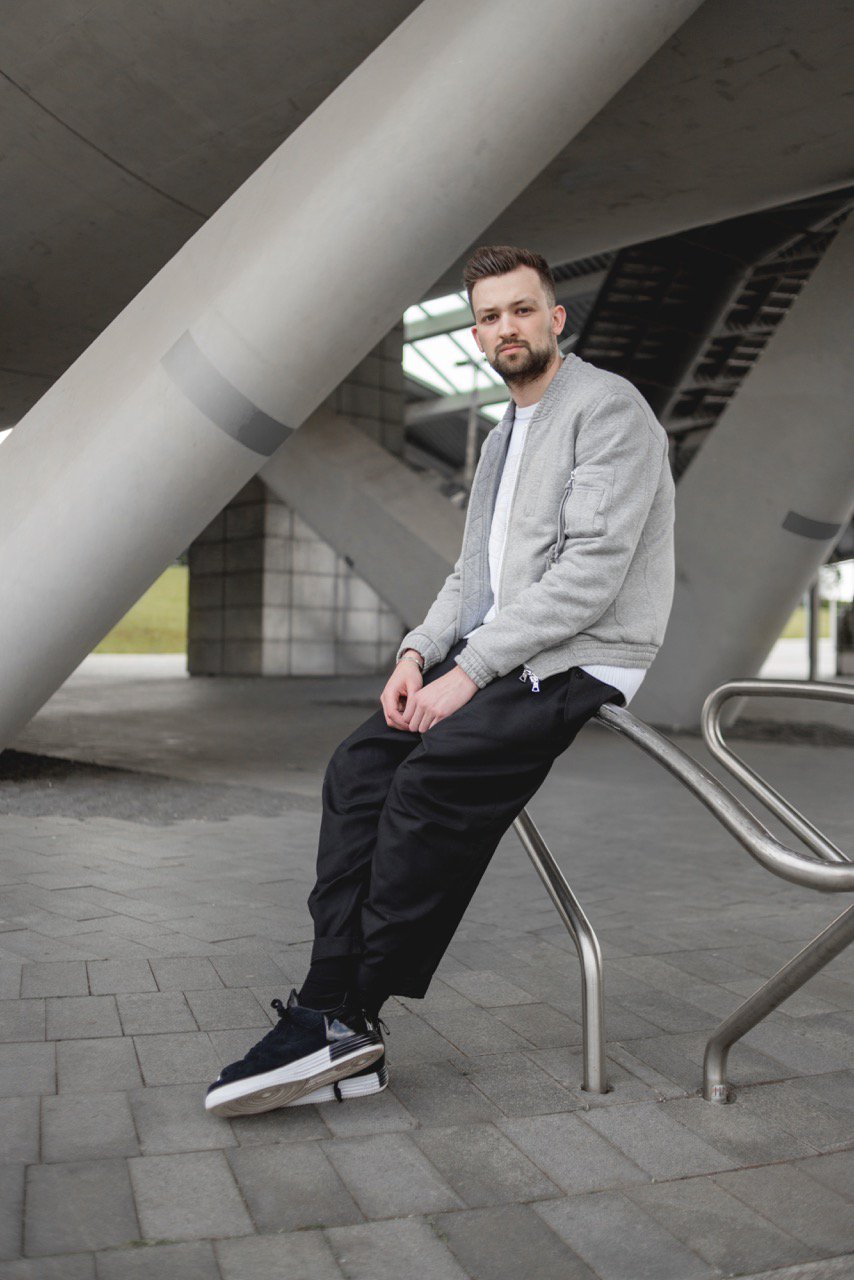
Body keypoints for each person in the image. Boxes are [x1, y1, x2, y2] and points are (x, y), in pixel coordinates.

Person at [205, 244, 675, 1118]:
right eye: (489, 317)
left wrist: (473, 672)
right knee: (359, 769)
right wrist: (417, 656)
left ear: (555, 318)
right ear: (477, 334)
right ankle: (328, 1007)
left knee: (430, 783)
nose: (507, 328)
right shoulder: (501, 437)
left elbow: (591, 575)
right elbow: (471, 578)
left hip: (581, 654)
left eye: (522, 310)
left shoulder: (607, 410)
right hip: (502, 649)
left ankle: (348, 1016)